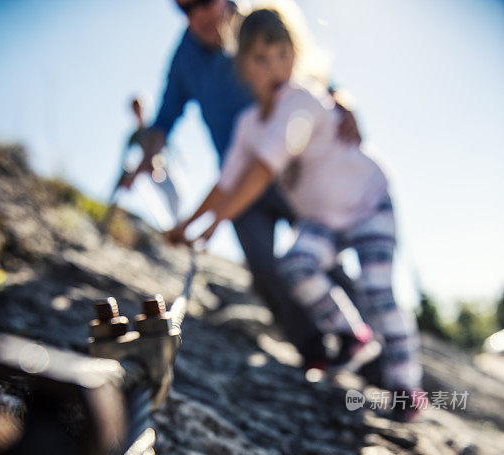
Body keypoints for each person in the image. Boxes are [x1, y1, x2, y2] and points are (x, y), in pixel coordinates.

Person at [167, 7, 424, 418]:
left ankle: (406, 387)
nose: (275, 68)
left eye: (283, 55)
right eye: (261, 59)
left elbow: (264, 168)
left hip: (368, 204)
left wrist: (215, 222)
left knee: (378, 291)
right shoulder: (249, 123)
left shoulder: (301, 100)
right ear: (242, 66)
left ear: (297, 54)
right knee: (295, 266)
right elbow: (226, 182)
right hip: (323, 218)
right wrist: (188, 224)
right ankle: (351, 335)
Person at [125, 0, 363, 375]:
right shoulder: (186, 57)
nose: (199, 15)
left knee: (320, 254)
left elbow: (308, 74)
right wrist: (144, 161)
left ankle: (365, 341)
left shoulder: (259, 24)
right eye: (186, 9)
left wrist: (341, 99)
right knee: (263, 266)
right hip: (239, 182)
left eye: (204, 2)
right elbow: (165, 118)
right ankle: (314, 351)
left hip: (291, 171)